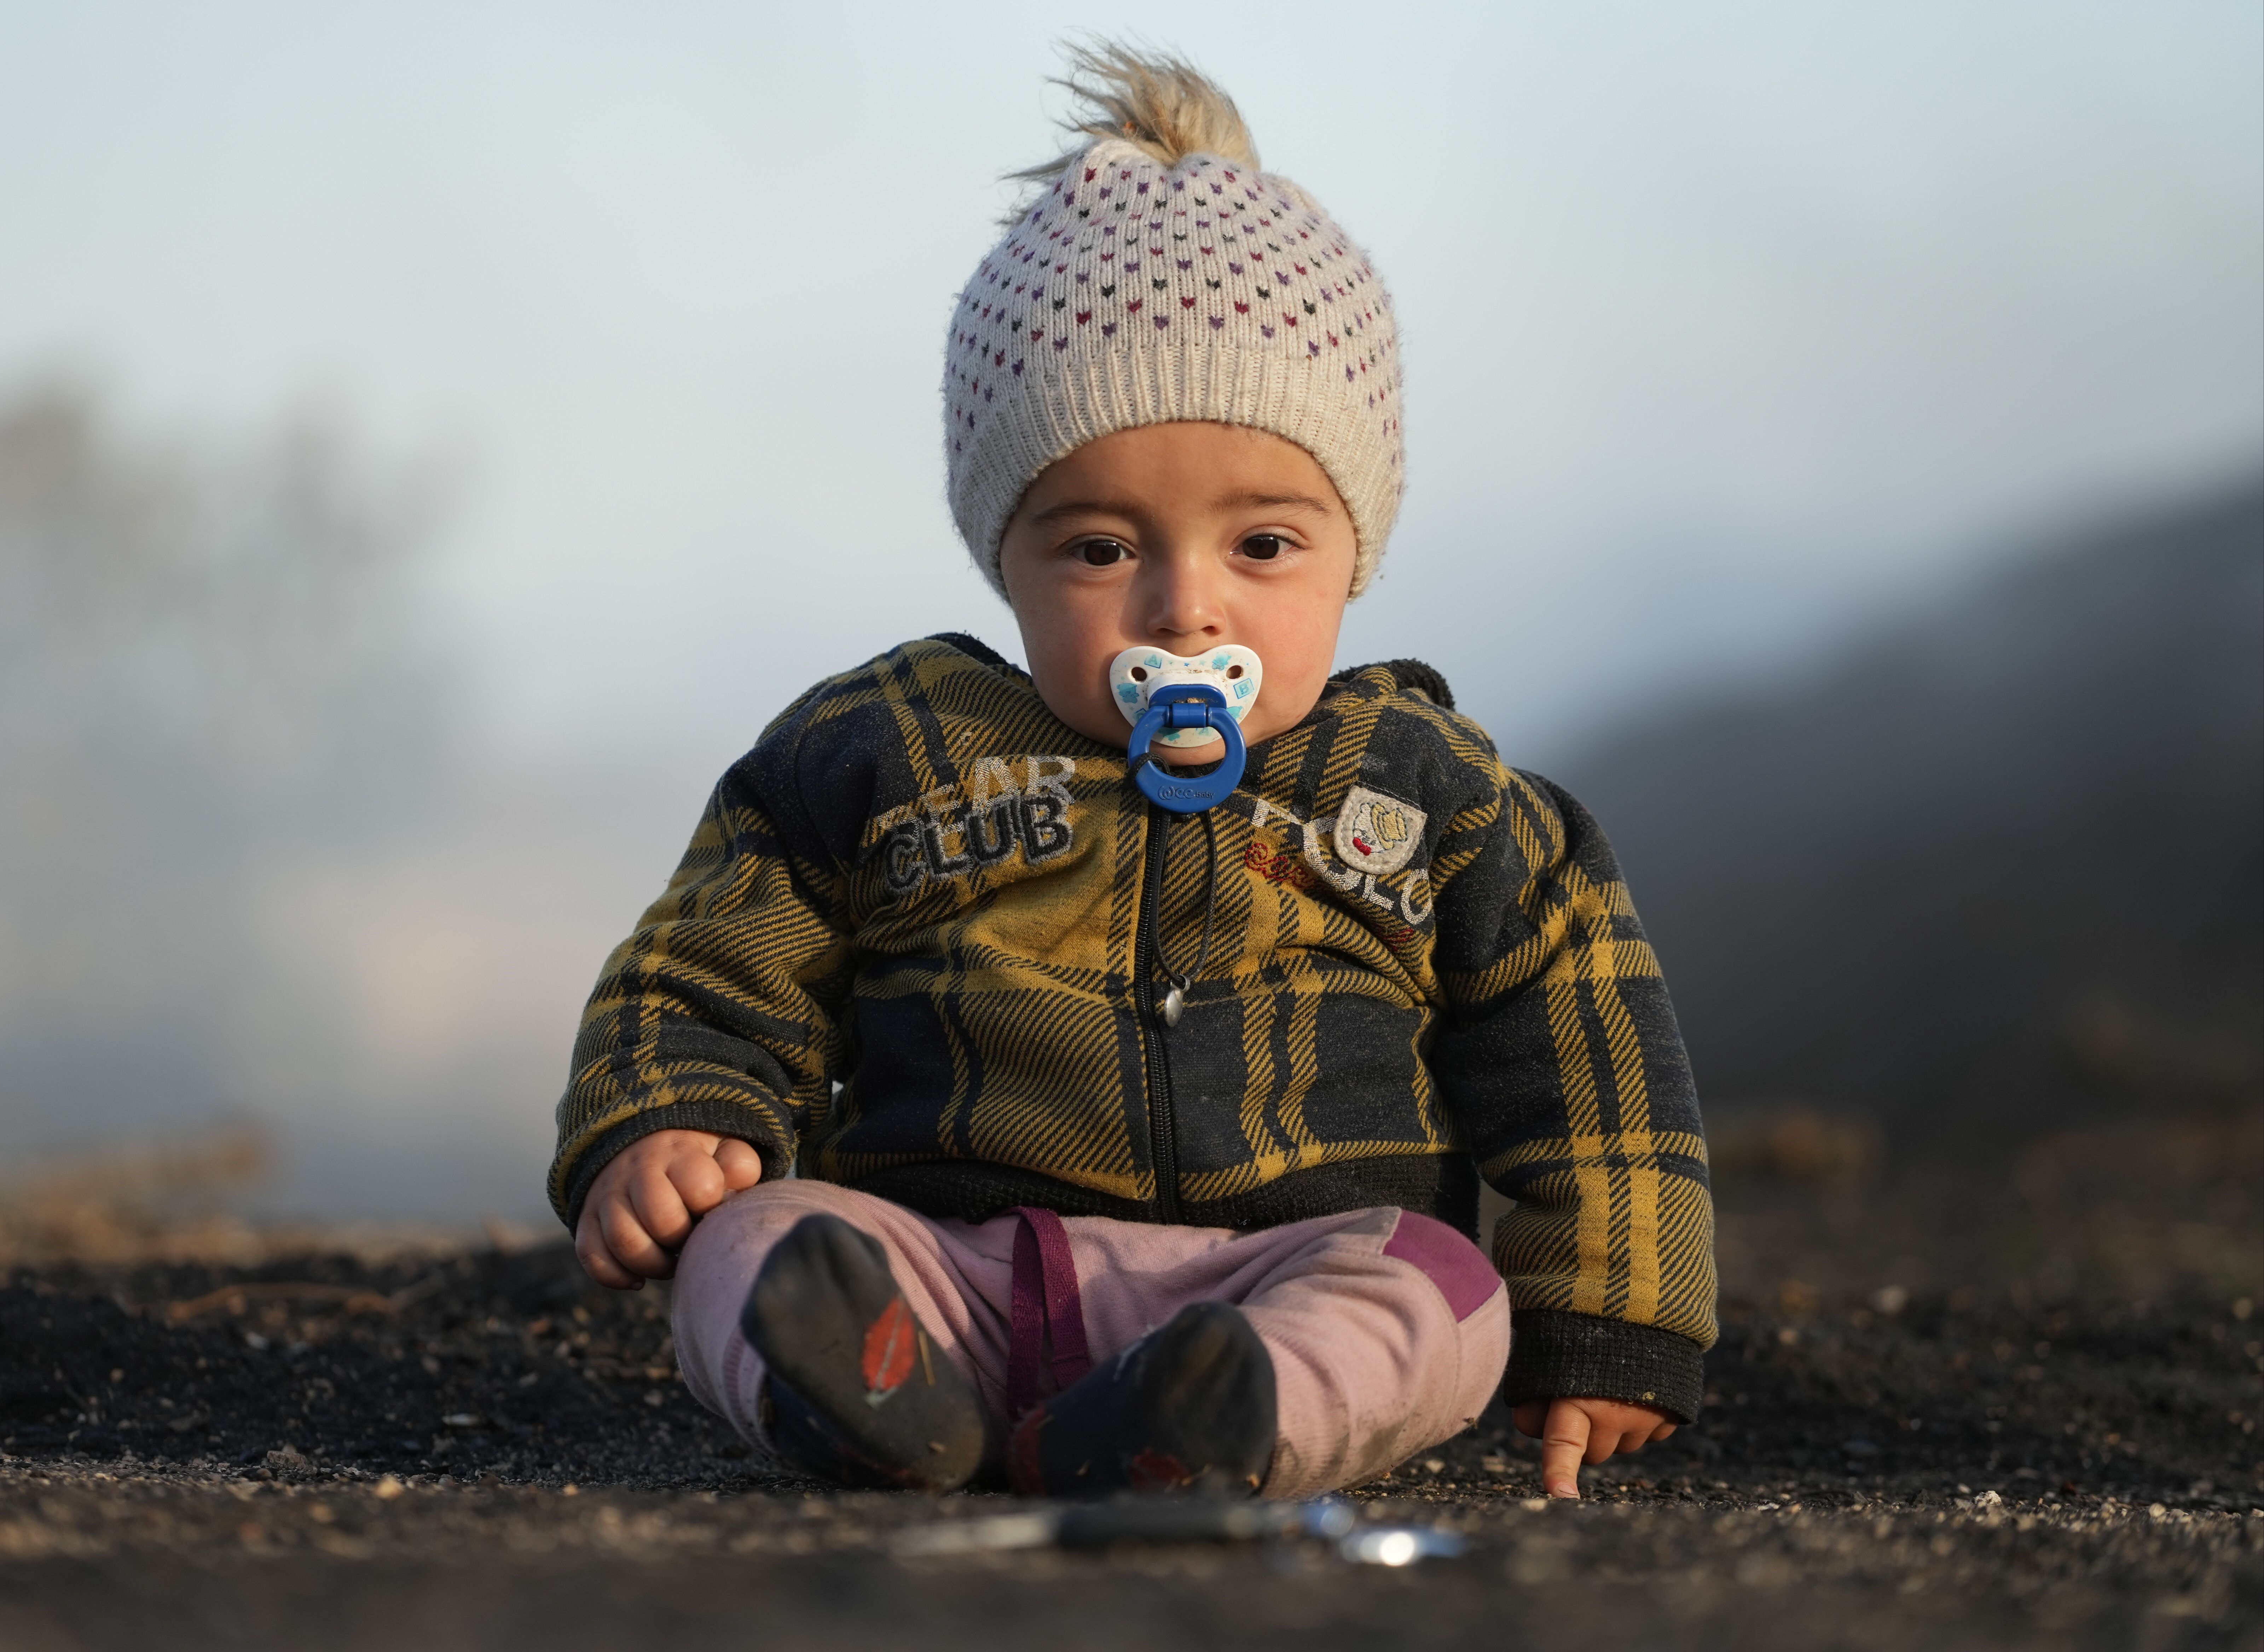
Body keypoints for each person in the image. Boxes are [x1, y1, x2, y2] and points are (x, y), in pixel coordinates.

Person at [551, 46, 1715, 1502]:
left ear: (1358, 543)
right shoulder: (895, 746)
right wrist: (671, 1115)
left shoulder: (1432, 796)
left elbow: (1583, 1053)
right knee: (755, 1242)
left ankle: (1228, 1411)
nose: (1186, 607)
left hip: (1296, 1260)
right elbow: (715, 957)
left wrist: (1612, 1316)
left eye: (1265, 545)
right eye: (1102, 549)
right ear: (1006, 552)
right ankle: (864, 1382)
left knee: (1442, 1292)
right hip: (959, 1267)